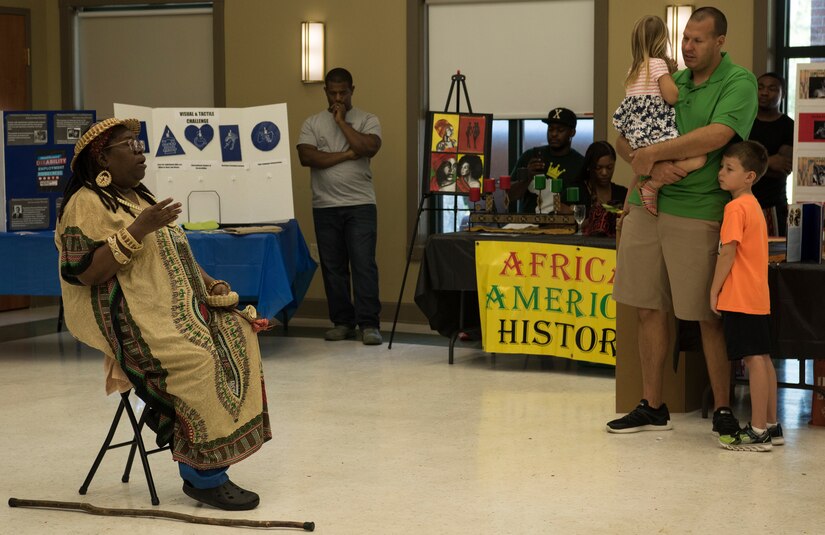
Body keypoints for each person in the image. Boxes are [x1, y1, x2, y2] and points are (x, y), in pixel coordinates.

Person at [55, 118, 271, 510]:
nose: (140, 152)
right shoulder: (84, 205)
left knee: (239, 333)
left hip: (176, 310)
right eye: (129, 145)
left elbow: (173, 250)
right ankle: (203, 476)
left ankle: (215, 453)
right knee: (199, 359)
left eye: (140, 144)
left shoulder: (138, 196)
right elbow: (84, 273)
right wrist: (138, 228)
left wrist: (209, 283)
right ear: (102, 156)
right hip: (133, 321)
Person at [607, 7, 758, 436]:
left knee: (705, 314)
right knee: (646, 306)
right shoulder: (668, 78)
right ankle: (652, 404)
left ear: (720, 42)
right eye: (685, 39)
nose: (688, 48)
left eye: (698, 40)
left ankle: (724, 408)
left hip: (697, 210)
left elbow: (719, 134)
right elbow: (624, 134)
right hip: (645, 203)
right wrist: (646, 164)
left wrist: (657, 154)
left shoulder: (738, 82)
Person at [297, 67, 384, 345]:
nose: (337, 97)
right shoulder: (311, 123)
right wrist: (348, 153)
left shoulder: (368, 119)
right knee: (333, 268)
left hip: (360, 205)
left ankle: (369, 324)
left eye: (343, 93)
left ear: (352, 91)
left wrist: (342, 122)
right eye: (332, 92)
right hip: (324, 206)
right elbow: (308, 158)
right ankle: (342, 322)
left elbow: (369, 147)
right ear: (325, 91)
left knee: (363, 265)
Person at [711, 141, 781, 451]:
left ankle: (757, 431)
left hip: (740, 295)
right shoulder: (753, 206)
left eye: (729, 169)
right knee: (763, 359)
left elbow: (728, 252)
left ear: (750, 176)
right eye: (722, 167)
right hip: (757, 295)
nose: (721, 173)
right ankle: (771, 425)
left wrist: (714, 289)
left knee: (753, 359)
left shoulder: (735, 207)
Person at [612, 15, 705, 216]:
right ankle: (654, 185)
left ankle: (627, 208)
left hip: (636, 134)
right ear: (663, 40)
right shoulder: (657, 65)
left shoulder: (633, 69)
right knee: (700, 158)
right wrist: (669, 76)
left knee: (640, 169)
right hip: (654, 132)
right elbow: (671, 97)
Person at [508, 107, 584, 214]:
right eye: (550, 129)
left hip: (563, 226)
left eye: (560, 130)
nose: (554, 134)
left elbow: (584, 205)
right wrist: (527, 177)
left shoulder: (580, 163)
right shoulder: (530, 156)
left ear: (572, 132)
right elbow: (509, 196)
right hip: (528, 225)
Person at [748, 72, 794, 236]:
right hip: (741, 202)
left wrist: (749, 164)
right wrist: (769, 162)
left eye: (772, 88)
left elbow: (782, 168)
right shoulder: (744, 121)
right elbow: (734, 160)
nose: (764, 92)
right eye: (760, 87)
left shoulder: (789, 126)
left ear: (782, 94)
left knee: (772, 257)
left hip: (773, 205)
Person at [574, 141, 628, 238]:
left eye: (609, 167)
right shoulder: (576, 191)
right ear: (589, 167)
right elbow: (567, 225)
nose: (604, 173)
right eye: (598, 168)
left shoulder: (623, 193)